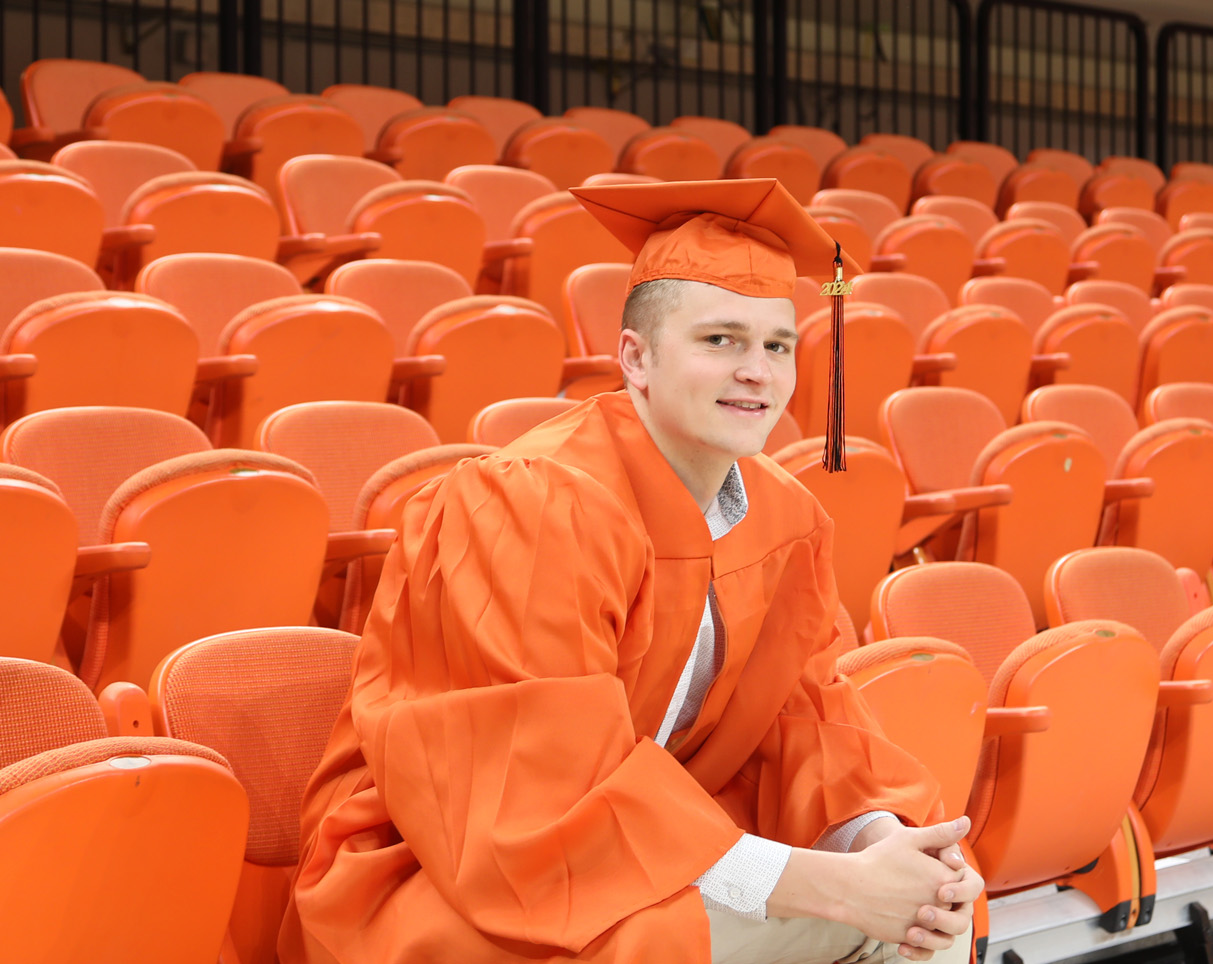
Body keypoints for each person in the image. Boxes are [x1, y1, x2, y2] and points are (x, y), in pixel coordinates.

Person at [288, 179, 979, 964]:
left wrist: (884, 843)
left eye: (777, 345)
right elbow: (536, 779)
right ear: (635, 358)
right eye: (720, 340)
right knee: (697, 936)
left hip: (648, 843)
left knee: (931, 917)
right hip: (453, 864)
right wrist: (829, 886)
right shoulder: (531, 501)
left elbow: (808, 720)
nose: (757, 370)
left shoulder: (783, 517)